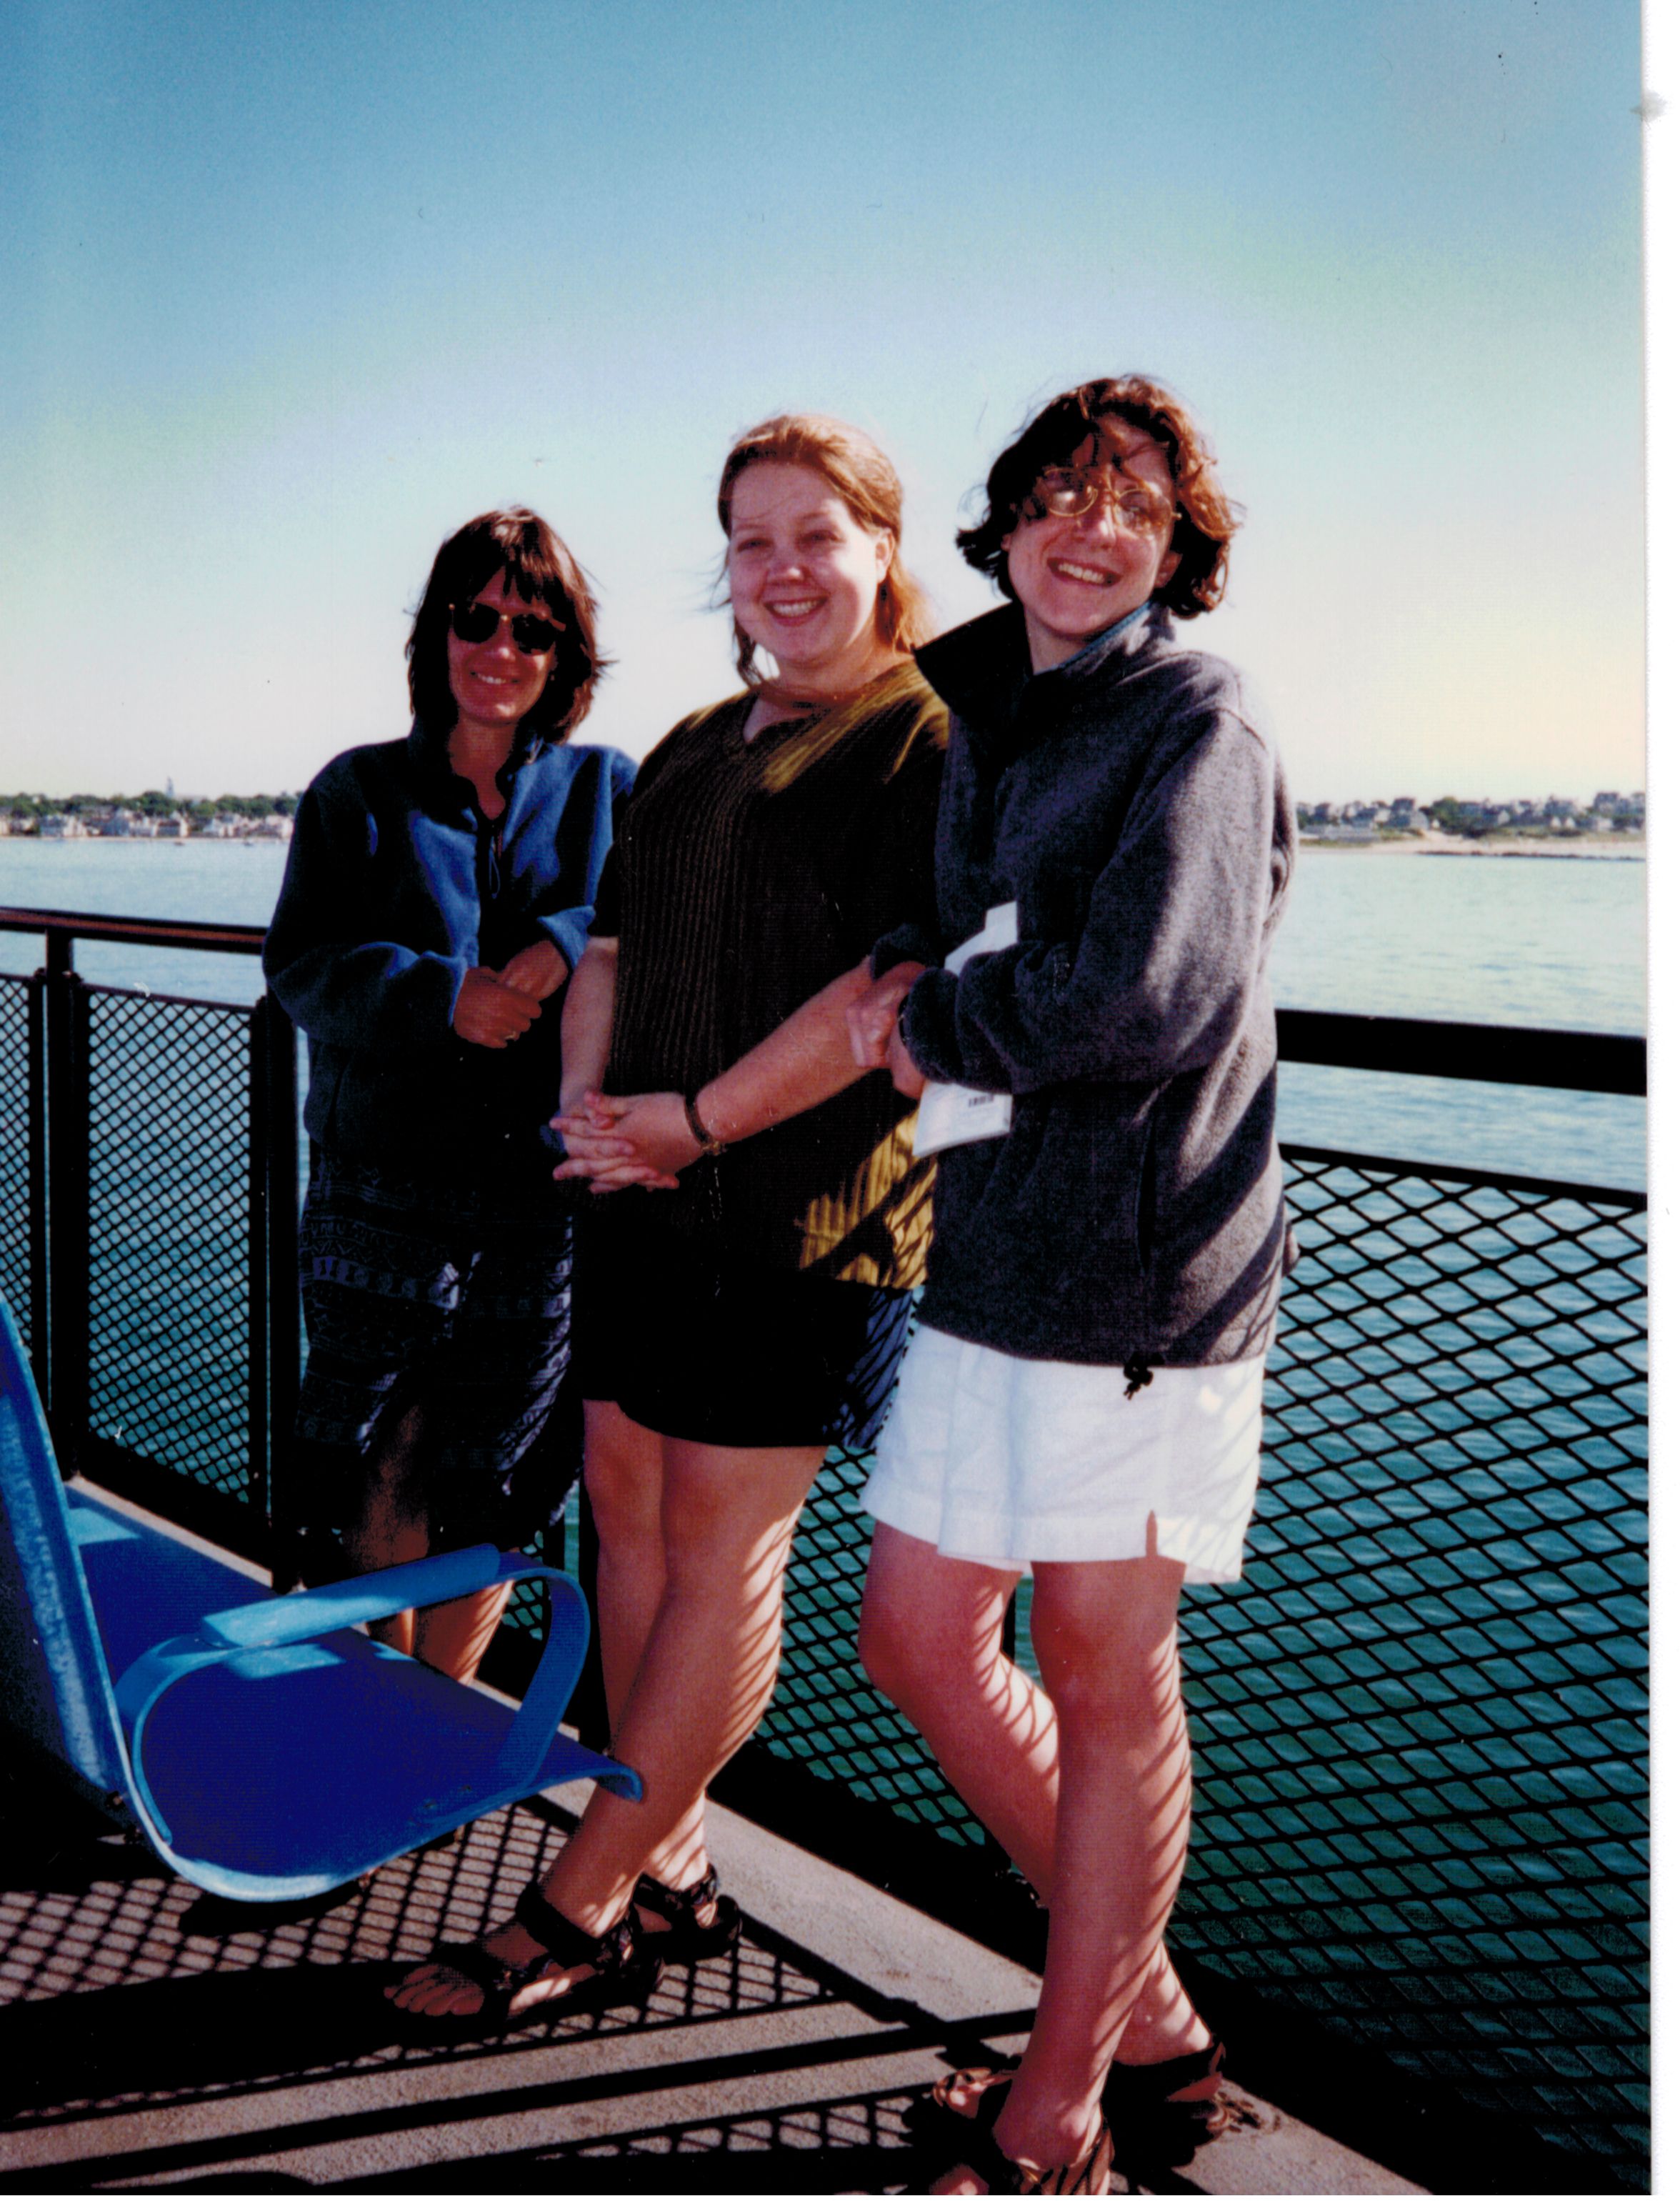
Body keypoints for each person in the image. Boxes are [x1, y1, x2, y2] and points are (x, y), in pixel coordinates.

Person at [389, 414, 949, 2023]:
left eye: (815, 534)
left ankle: (579, 1903)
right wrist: (590, 1114)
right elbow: (613, 953)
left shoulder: (925, 743)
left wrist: (690, 1124)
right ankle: (670, 1867)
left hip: (802, 1221)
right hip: (638, 1194)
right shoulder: (700, 740)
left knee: (723, 1558)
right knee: (626, 1521)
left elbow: (879, 1000)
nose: (782, 568)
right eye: (752, 540)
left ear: (880, 548)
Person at [846, 376, 1294, 2194]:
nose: (1089, 527)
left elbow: (1145, 995)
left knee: (1108, 1680)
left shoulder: (1198, 718)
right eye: (1058, 490)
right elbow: (970, 927)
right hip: (992, 1252)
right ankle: (1154, 2024)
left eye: (1132, 503)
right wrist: (917, 973)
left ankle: (1056, 2118)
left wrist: (935, 1021)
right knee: (913, 1634)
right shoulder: (990, 715)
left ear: (1179, 545)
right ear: (1009, 518)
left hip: (1138, 1278)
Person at [264, 508, 633, 1684]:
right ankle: (378, 1700)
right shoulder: (358, 791)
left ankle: (440, 1705)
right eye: (477, 619)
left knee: (495, 1469)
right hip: (381, 1194)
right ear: (438, 634)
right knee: (380, 1450)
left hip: (538, 1199)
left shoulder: (608, 789)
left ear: (565, 656)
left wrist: (567, 940)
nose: (501, 648)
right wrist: (439, 996)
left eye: (533, 629)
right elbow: (300, 965)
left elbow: (658, 921)